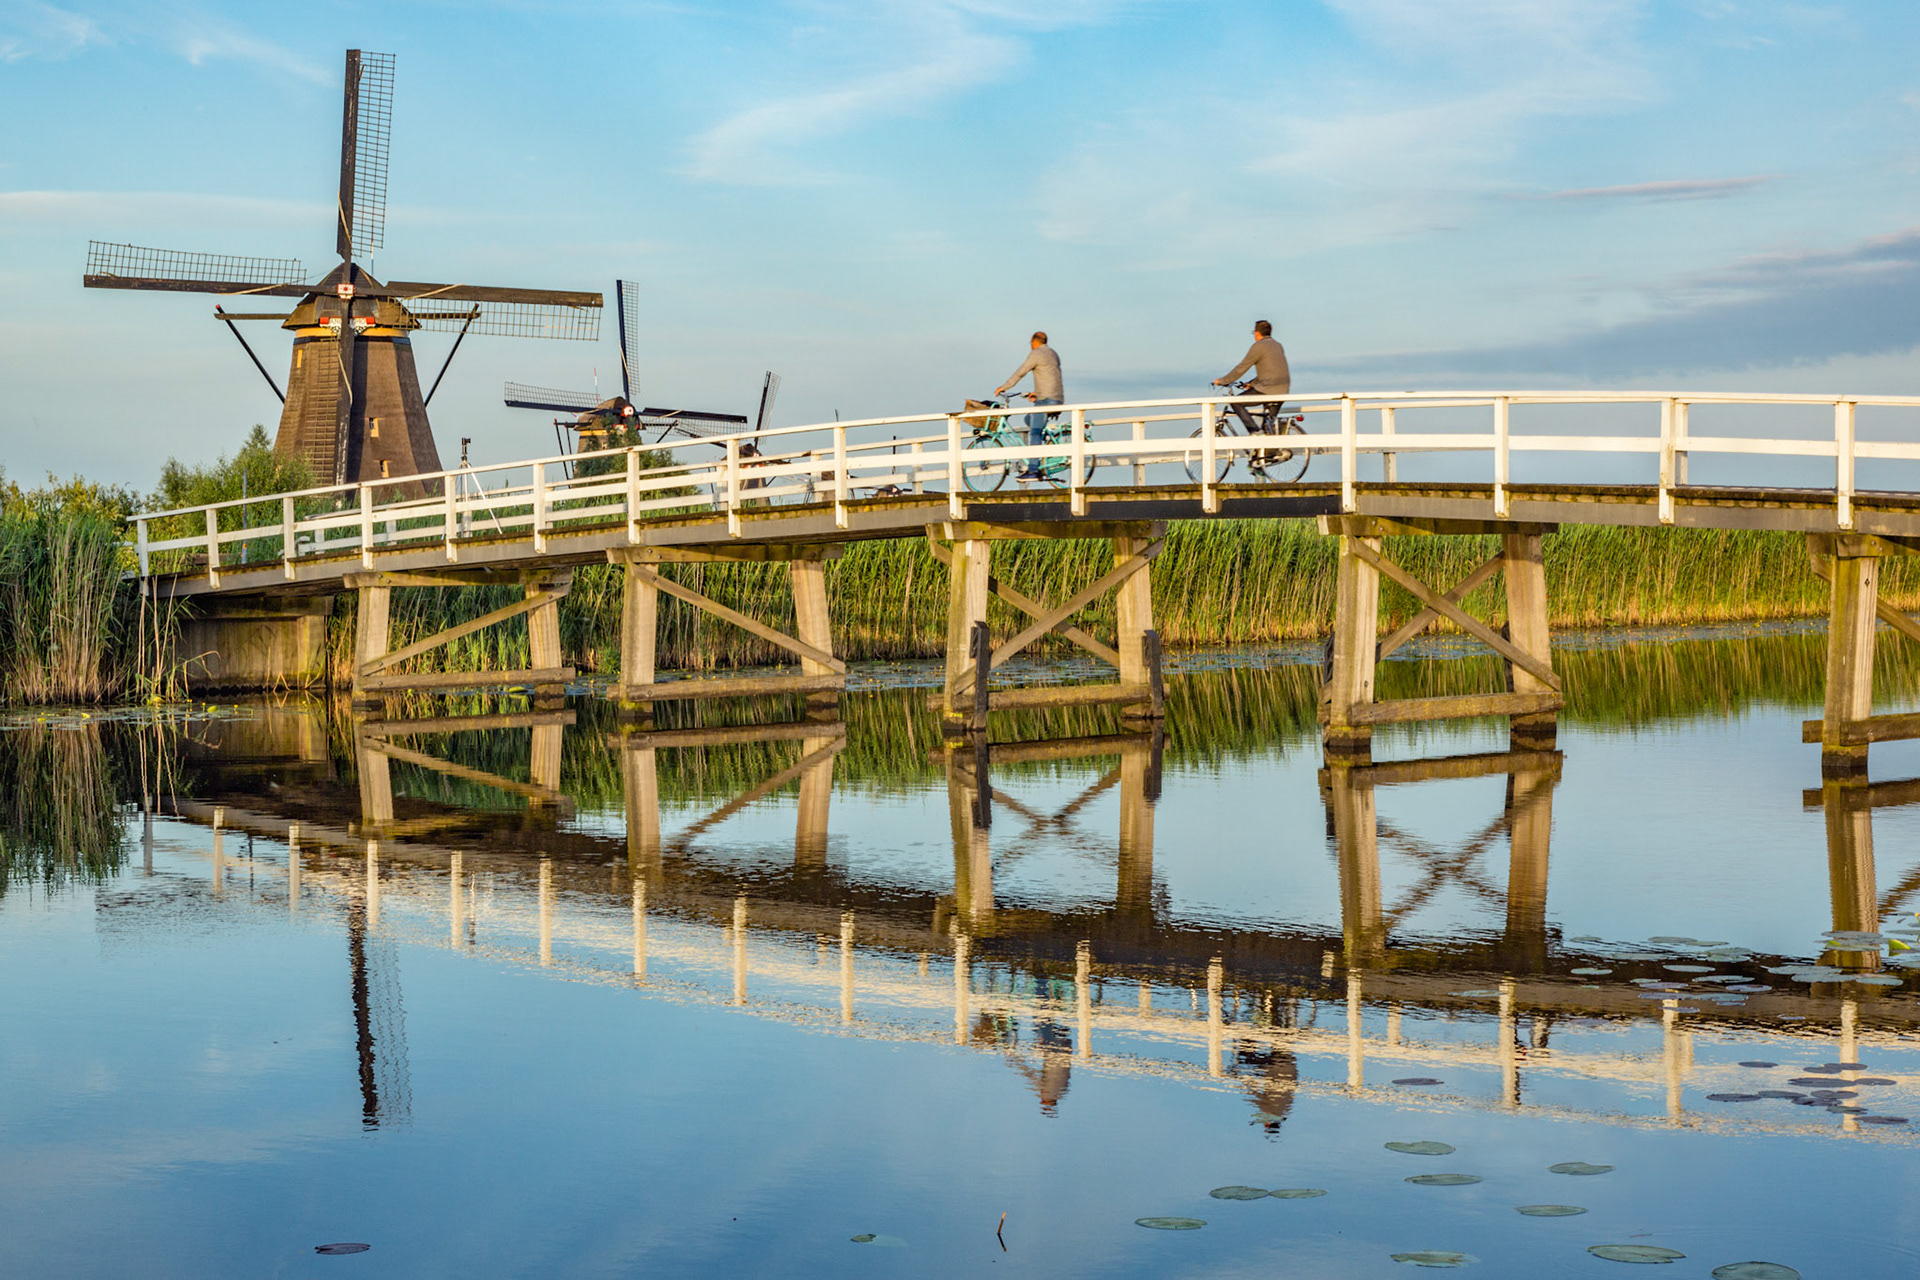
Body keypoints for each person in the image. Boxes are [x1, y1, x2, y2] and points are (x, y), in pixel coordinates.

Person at [996, 331, 1063, 480]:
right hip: (1055, 398)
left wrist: (1004, 387)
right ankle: (1042, 449)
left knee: (1034, 432)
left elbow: (1021, 371)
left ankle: (1033, 470)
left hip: (1046, 400)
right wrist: (1037, 394)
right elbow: (1050, 376)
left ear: (1033, 342)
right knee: (1029, 420)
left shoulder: (1036, 353)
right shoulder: (1053, 353)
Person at [1214, 320, 1290, 433]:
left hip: (1268, 390)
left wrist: (1223, 381)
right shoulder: (1277, 345)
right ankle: (1271, 448)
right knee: (1268, 429)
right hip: (1283, 390)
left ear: (1256, 333)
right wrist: (1251, 384)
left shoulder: (1258, 346)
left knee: (1235, 402)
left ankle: (1254, 432)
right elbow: (1271, 371)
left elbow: (1242, 367)